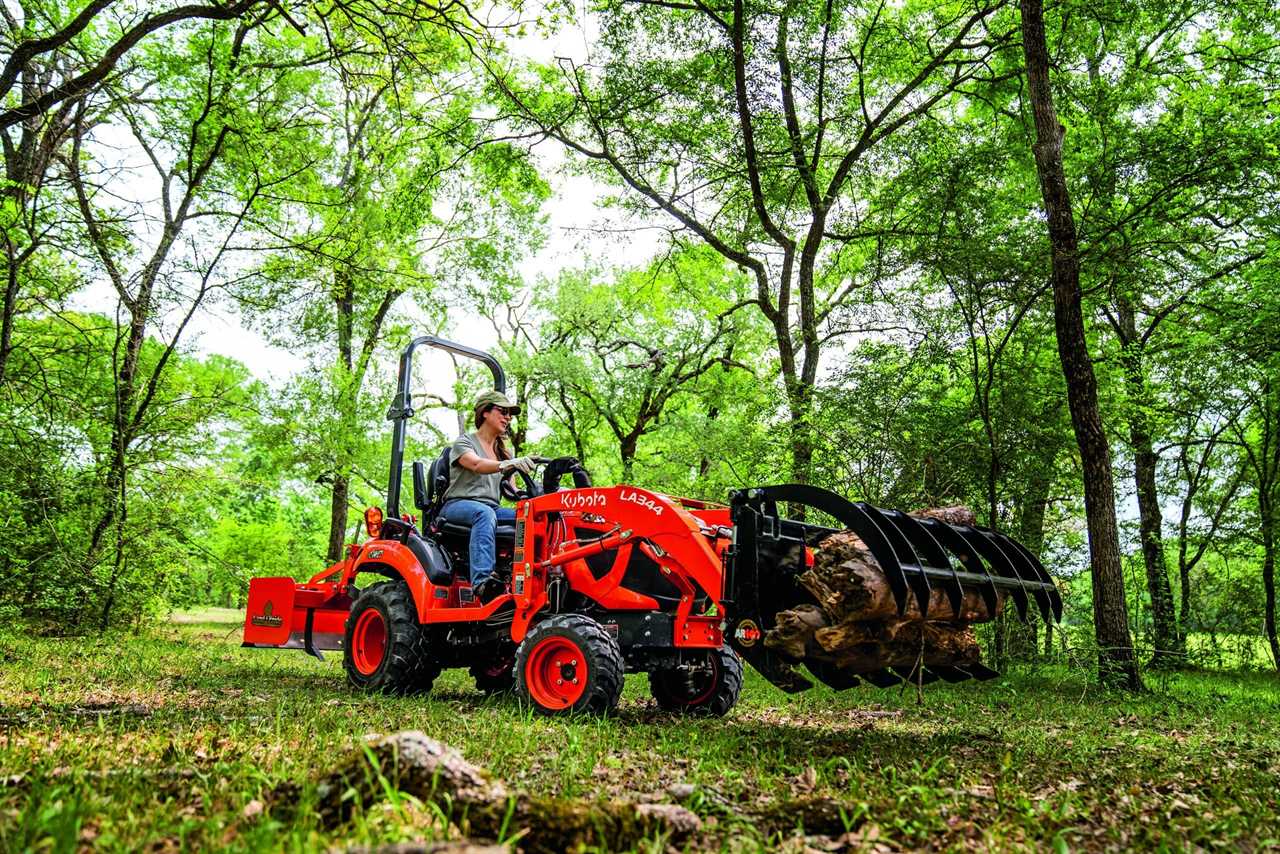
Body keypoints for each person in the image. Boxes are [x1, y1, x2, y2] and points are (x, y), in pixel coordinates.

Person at [439, 390, 538, 603]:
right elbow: (476, 464)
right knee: (484, 514)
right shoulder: (464, 442)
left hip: (491, 508)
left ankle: (533, 581)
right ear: (485, 412)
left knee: (533, 518)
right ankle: (483, 583)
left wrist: (532, 496)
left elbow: (512, 491)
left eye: (510, 414)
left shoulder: (504, 451)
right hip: (458, 506)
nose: (508, 417)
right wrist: (508, 464)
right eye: (503, 411)